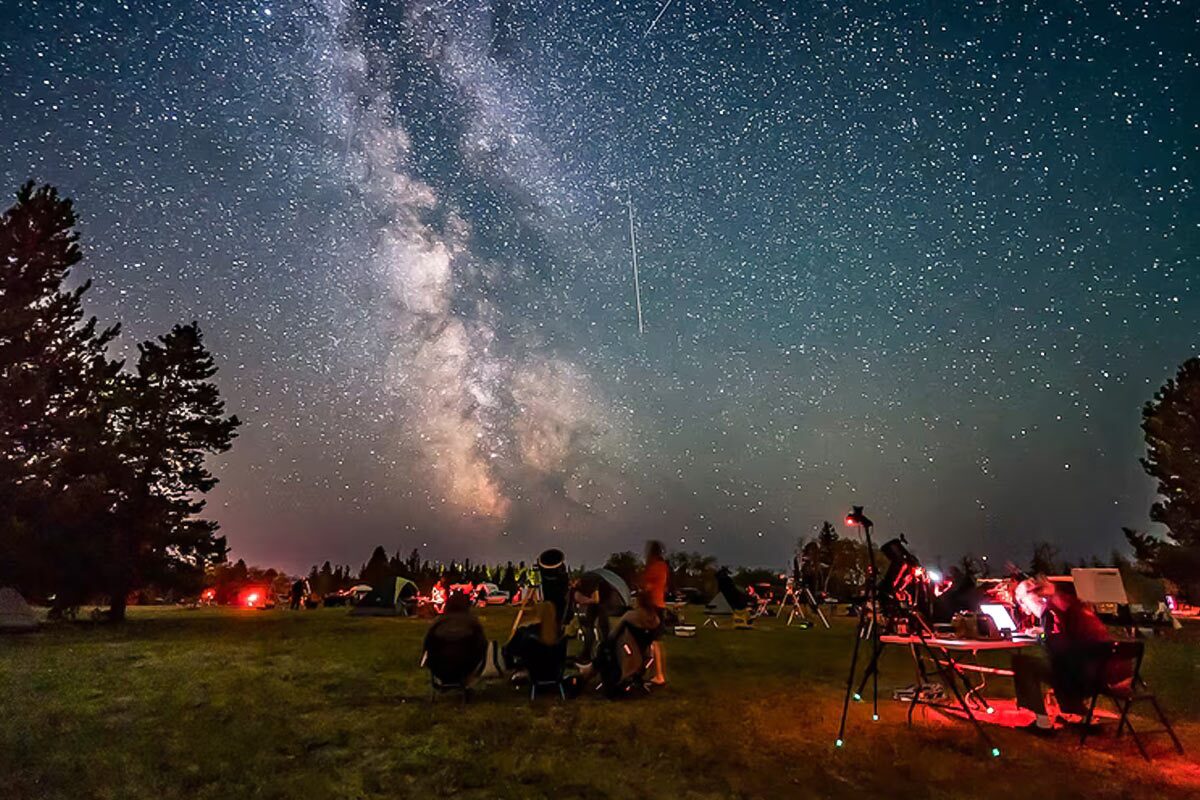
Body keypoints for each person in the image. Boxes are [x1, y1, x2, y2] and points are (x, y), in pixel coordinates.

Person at [1010, 577, 1121, 734]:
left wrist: (1042, 637)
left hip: (1080, 681)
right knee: (1062, 666)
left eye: (1021, 601)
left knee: (1023, 663)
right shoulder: (1062, 608)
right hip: (1099, 676)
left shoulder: (1049, 614)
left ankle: (1042, 723)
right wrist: (1042, 635)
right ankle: (1085, 717)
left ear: (1024, 601)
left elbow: (1060, 650)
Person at [572, 572, 628, 664]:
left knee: (602, 629)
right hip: (605, 605)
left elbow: (594, 599)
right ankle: (590, 654)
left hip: (608, 604)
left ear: (577, 580)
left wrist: (587, 600)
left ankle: (605, 654)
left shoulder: (587, 580)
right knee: (592, 628)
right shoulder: (582, 585)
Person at [640, 540, 669, 685]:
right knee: (657, 641)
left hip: (653, 606)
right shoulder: (664, 566)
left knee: (653, 642)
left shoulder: (654, 567)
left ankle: (658, 675)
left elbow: (648, 586)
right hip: (660, 605)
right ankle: (656, 672)